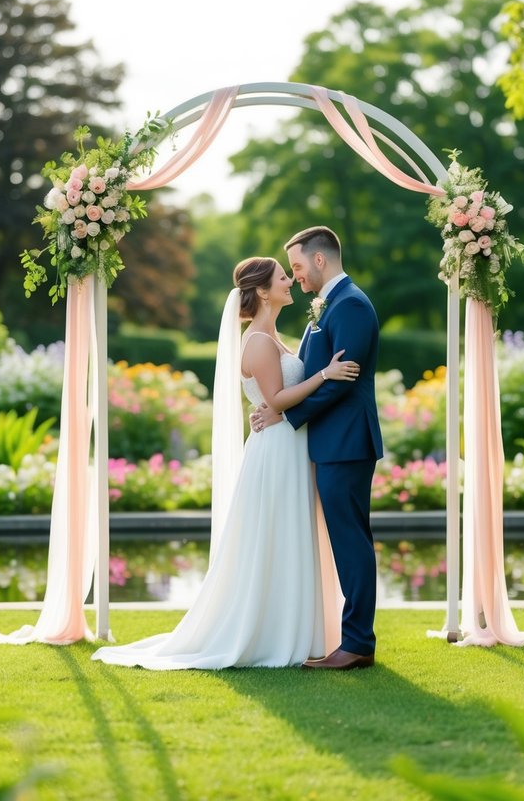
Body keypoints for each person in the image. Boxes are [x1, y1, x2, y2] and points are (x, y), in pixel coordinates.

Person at [91, 256, 357, 670]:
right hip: (277, 452)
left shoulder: (273, 336)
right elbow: (277, 400)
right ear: (264, 291)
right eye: (283, 277)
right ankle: (272, 632)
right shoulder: (258, 342)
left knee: (290, 534)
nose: (291, 281)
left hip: (289, 445)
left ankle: (298, 628)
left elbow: (276, 401)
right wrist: (327, 374)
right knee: (276, 534)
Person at [252, 226, 383, 671]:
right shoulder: (330, 304)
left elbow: (341, 380)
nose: (297, 276)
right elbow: (316, 373)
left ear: (321, 260)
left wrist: (286, 416)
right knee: (346, 540)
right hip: (331, 442)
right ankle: (353, 639)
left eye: (299, 267)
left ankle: (358, 643)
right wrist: (279, 410)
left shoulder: (351, 306)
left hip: (346, 442)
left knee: (351, 541)